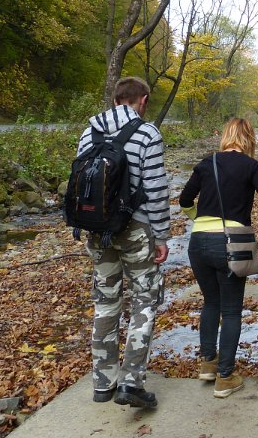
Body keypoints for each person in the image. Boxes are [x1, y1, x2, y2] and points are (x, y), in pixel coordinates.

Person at [78, 77, 170, 409]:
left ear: (116, 99)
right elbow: (156, 189)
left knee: (105, 302)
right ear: (142, 100)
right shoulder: (147, 133)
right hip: (135, 230)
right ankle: (131, 382)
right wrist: (161, 236)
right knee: (144, 300)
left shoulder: (89, 132)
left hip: (97, 230)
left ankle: (103, 382)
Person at [179, 117, 258, 398]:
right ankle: (225, 377)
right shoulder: (251, 166)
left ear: (226, 136)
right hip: (231, 243)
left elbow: (184, 200)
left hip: (198, 241)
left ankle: (208, 363)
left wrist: (198, 219)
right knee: (232, 310)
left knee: (211, 302)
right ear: (249, 138)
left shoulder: (207, 162)